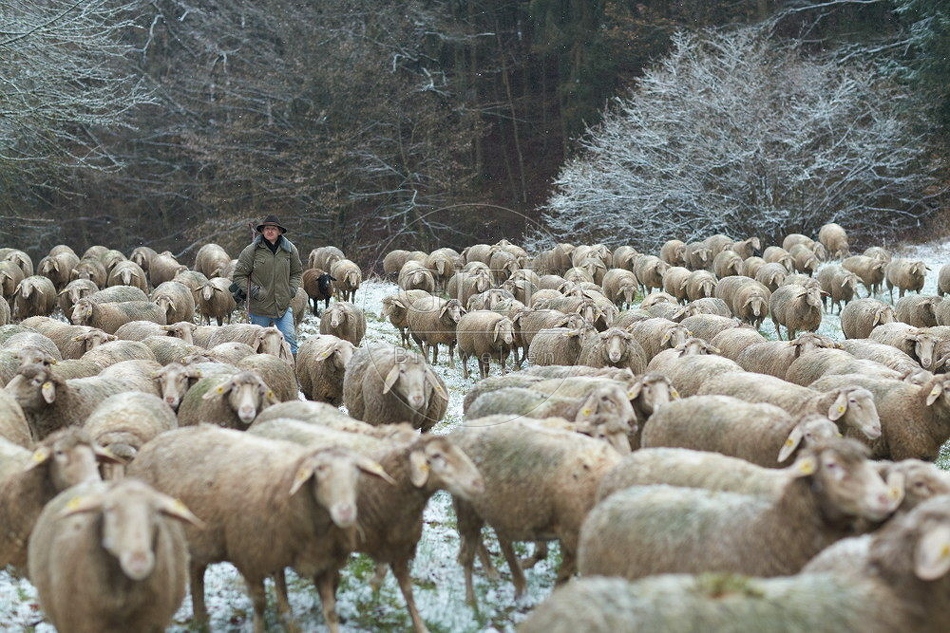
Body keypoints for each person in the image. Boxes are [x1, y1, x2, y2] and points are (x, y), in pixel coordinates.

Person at [231, 214, 303, 356]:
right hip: (260, 307)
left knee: (290, 340)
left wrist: (291, 290)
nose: (270, 231)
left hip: (282, 305)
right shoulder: (252, 250)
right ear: (262, 231)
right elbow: (239, 275)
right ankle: (259, 367)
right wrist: (254, 291)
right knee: (258, 344)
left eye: (273, 229)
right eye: (267, 228)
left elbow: (296, 272)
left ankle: (292, 366)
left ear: (280, 232)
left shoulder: (289, 249)